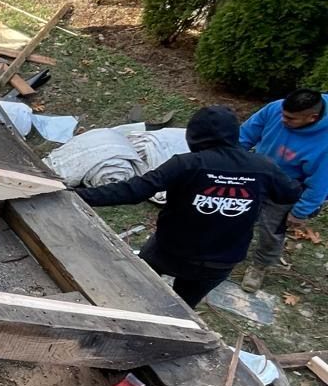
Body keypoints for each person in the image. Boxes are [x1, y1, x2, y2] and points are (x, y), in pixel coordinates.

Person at [76, 105, 300, 307]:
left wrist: (78, 195)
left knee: (135, 284)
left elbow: (134, 191)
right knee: (181, 308)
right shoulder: (264, 167)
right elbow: (288, 193)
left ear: (194, 135)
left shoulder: (186, 164)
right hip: (220, 261)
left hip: (169, 251)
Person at [239, 88, 328, 288]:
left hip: (287, 188)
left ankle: (259, 265)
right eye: (282, 113)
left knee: (272, 230)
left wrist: (300, 212)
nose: (282, 120)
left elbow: (321, 183)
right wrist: (230, 157)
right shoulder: (276, 108)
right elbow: (246, 134)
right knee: (238, 211)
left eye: (290, 118)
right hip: (257, 173)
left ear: (312, 118)